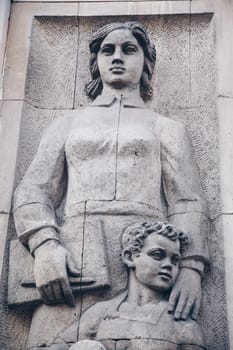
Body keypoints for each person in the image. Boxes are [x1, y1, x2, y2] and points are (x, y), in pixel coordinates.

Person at [13, 22, 209, 348]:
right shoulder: (66, 124)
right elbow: (33, 190)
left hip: (148, 261)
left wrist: (190, 268)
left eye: (129, 49)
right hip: (72, 265)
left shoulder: (167, 128)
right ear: (97, 61)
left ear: (145, 63)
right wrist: (44, 244)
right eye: (108, 50)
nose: (117, 57)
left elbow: (187, 202)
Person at [70, 221, 206, 350]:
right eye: (157, 255)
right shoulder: (98, 313)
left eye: (175, 260)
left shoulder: (184, 326)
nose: (168, 265)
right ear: (130, 257)